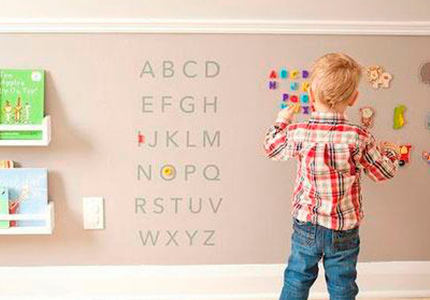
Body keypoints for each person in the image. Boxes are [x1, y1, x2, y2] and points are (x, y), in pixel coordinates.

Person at [263, 53, 400, 300]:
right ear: (354, 98)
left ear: (312, 97)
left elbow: (272, 148)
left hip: (307, 225)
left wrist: (282, 121)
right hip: (344, 228)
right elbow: (383, 172)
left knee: (296, 279)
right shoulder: (359, 136)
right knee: (343, 285)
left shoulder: (299, 132)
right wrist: (392, 152)